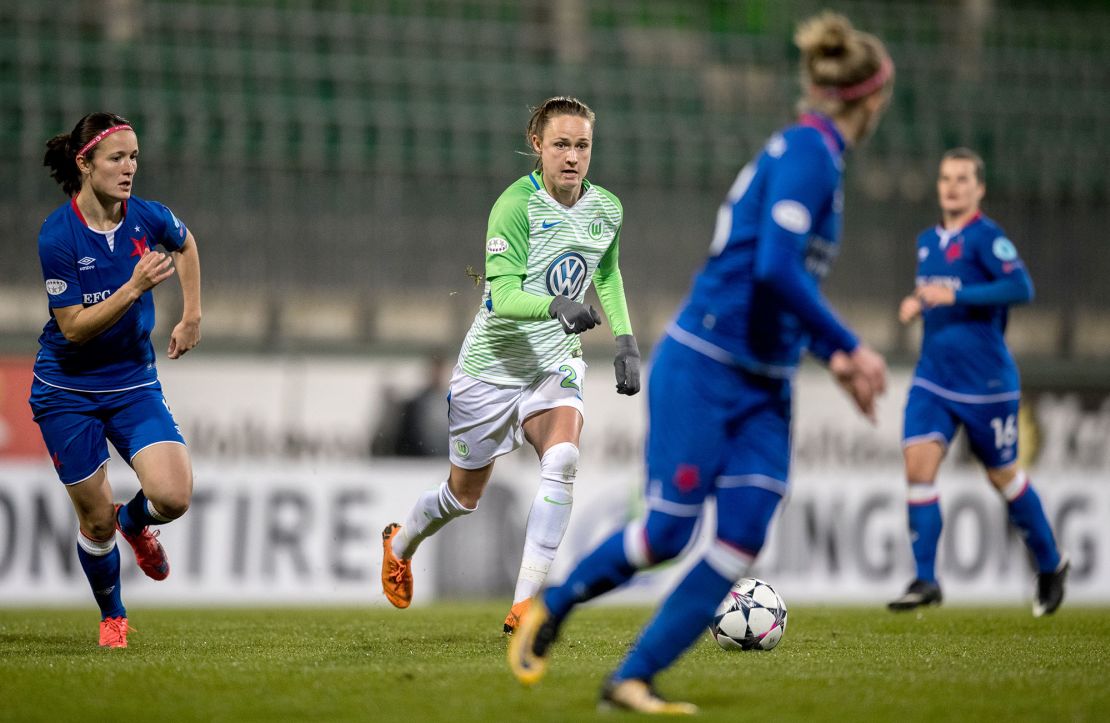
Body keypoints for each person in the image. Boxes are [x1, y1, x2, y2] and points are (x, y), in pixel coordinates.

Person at [508, 12, 892, 713]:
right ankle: (552, 606)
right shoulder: (809, 153)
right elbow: (774, 268)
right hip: (709, 363)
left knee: (744, 531)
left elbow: (773, 279)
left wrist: (820, 352)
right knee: (665, 534)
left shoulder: (814, 155)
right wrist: (849, 346)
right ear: (872, 98)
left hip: (764, 380)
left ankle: (632, 677)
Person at [381, 96, 641, 634]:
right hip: (491, 368)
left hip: (554, 364)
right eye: (562, 144)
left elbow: (607, 274)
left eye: (583, 145)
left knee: (563, 458)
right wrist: (555, 305)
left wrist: (626, 340)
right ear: (538, 146)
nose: (573, 156)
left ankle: (525, 603)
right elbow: (499, 294)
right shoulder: (514, 206)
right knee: (463, 496)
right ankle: (400, 541)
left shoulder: (607, 209)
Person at [30, 112, 202, 648]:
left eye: (134, 158)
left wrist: (191, 314)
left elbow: (187, 242)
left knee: (173, 497)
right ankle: (113, 616)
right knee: (95, 522)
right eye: (117, 158)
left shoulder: (147, 217)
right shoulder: (58, 236)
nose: (129, 168)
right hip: (67, 391)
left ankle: (137, 521)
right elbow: (74, 328)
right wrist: (132, 288)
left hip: (132, 382)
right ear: (85, 164)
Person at [888, 148, 1068, 615]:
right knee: (917, 467)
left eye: (962, 179)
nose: (952, 186)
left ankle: (1050, 565)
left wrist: (956, 293)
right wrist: (917, 302)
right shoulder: (927, 240)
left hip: (986, 383)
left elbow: (1021, 287)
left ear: (979, 188)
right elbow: (936, 292)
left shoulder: (988, 238)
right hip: (934, 378)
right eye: (946, 177)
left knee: (1003, 476)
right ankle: (926, 580)